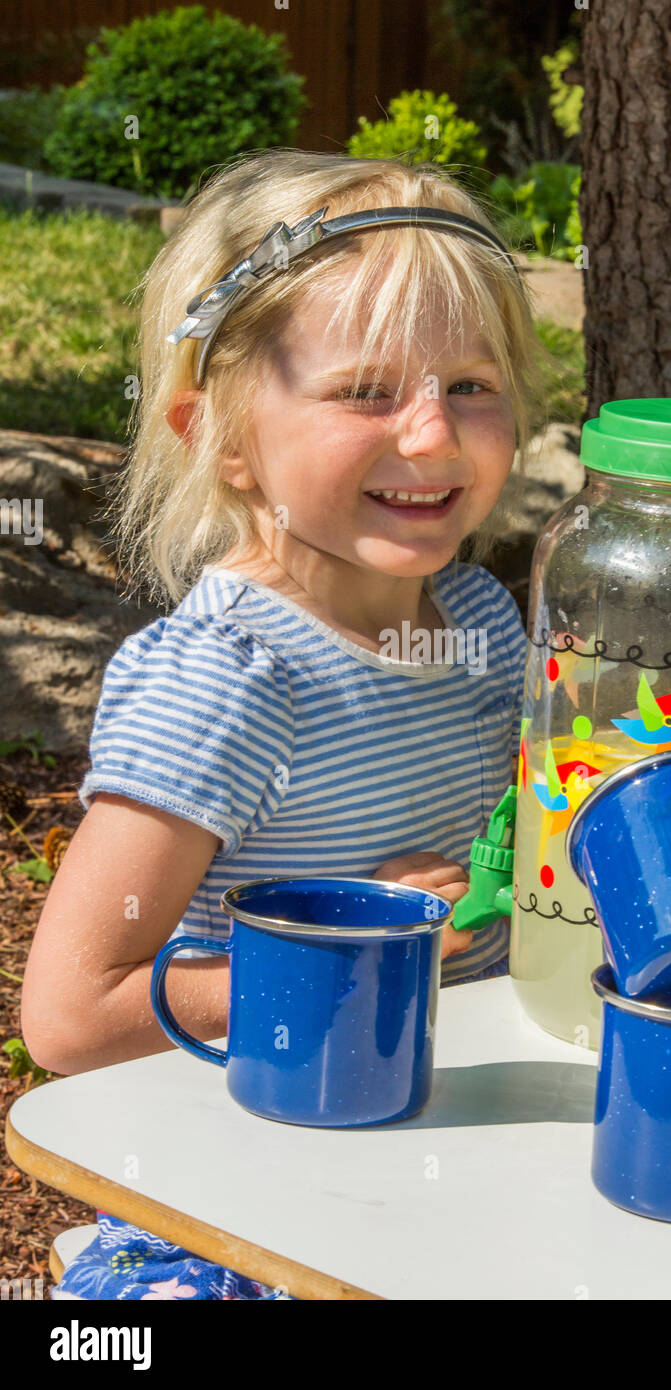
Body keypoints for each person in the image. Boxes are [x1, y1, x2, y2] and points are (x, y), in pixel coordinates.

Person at [21, 149, 547, 1299]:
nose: (431, 435)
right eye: (365, 392)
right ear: (219, 436)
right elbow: (69, 1014)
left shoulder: (475, 620)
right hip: (233, 1190)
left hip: (446, 1139)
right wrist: (354, 954)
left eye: (469, 383)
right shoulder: (230, 681)